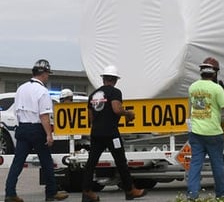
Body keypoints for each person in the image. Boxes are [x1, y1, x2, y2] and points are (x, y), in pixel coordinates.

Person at [3, 59, 69, 202]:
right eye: (47, 74)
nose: (48, 77)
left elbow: (17, 111)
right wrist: (49, 135)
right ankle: (51, 192)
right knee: (46, 161)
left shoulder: (21, 88)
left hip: (22, 127)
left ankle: (10, 192)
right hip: (37, 129)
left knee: (17, 162)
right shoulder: (42, 91)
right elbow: (44, 116)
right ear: (43, 74)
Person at [80, 65, 146, 202]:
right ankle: (130, 190)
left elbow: (91, 118)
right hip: (111, 133)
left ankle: (87, 192)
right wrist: (128, 113)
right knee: (121, 162)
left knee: (91, 163)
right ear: (115, 80)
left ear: (103, 79)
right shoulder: (115, 92)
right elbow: (116, 109)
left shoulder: (93, 95)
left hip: (96, 133)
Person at [187, 57, 224, 200]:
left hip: (196, 132)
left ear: (201, 72)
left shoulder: (192, 87)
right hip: (213, 132)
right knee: (217, 165)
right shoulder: (217, 88)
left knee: (195, 164)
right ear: (214, 73)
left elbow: (195, 106)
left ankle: (192, 194)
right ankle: (222, 194)